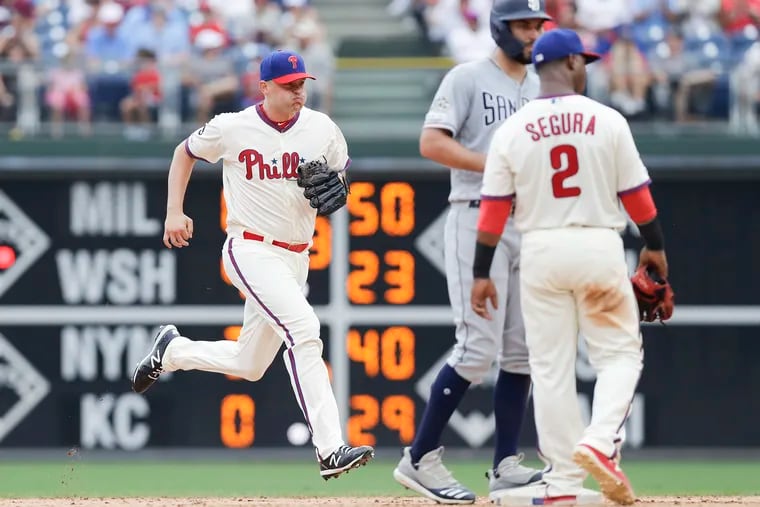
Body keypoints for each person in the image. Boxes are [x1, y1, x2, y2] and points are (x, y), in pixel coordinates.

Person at [130, 49, 374, 480]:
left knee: (250, 364)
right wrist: (173, 211)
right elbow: (184, 152)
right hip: (251, 249)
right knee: (304, 330)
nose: (299, 93)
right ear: (264, 87)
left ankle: (173, 352)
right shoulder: (232, 126)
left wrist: (340, 188)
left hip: (298, 254)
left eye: (302, 85)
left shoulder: (323, 129)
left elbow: (341, 181)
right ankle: (330, 448)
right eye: (289, 86)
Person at [471, 28, 670, 506]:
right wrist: (656, 248)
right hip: (598, 243)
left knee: (550, 369)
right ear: (574, 65)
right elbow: (637, 199)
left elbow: (493, 212)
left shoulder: (513, 129)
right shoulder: (608, 120)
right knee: (619, 356)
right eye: (585, 61)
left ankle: (561, 485)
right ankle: (600, 442)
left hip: (539, 250)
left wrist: (481, 272)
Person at [392, 0, 551, 504]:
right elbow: (431, 143)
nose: (531, 34)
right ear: (499, 28)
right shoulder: (467, 77)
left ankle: (505, 463)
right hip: (475, 211)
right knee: (477, 347)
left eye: (536, 25)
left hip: (528, 220)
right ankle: (420, 458)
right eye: (523, 25)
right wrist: (494, 164)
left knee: (522, 348)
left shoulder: (542, 86)